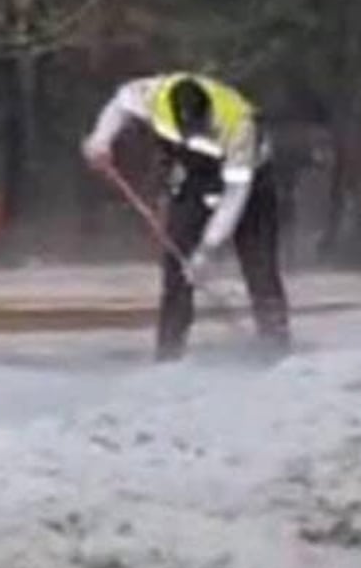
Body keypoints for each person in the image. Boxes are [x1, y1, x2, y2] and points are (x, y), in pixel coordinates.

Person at [82, 73, 292, 362]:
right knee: (177, 265)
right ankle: (169, 352)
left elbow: (234, 197)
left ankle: (275, 345)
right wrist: (101, 139)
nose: (196, 133)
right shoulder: (154, 95)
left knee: (260, 265)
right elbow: (120, 103)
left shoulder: (239, 126)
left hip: (250, 183)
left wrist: (207, 250)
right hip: (194, 178)